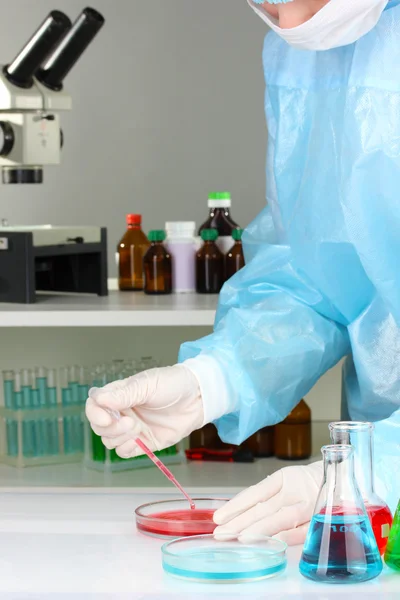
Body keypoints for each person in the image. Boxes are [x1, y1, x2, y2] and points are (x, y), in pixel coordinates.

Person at [86, 0, 400, 545]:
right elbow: (319, 270)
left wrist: (383, 474)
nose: (278, 12)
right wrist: (214, 379)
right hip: (377, 522)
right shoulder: (306, 50)